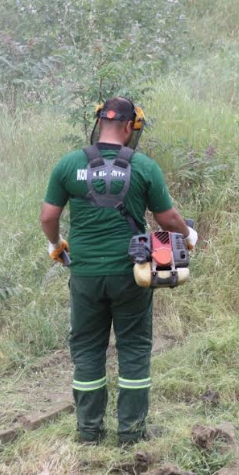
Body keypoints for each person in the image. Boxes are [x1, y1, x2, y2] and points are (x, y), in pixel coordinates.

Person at [39, 97, 198, 446]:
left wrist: (56, 245)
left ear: (100, 124)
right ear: (130, 127)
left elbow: (48, 218)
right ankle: (130, 433)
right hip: (133, 274)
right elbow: (167, 219)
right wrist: (189, 235)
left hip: (85, 276)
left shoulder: (68, 165)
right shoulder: (143, 167)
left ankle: (89, 431)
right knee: (135, 348)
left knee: (87, 348)